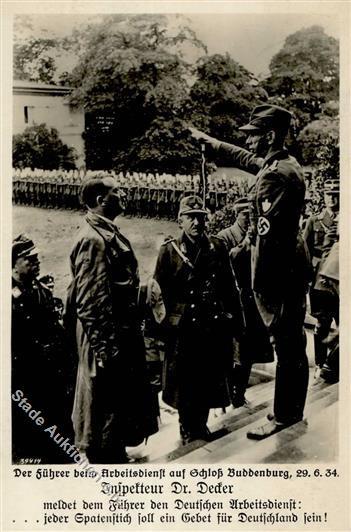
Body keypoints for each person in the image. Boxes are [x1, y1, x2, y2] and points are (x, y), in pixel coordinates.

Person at [190, 103, 311, 439]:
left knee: (286, 345)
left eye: (254, 136)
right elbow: (247, 159)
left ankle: (286, 415)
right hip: (292, 269)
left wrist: (259, 284)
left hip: (279, 274)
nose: (251, 142)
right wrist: (212, 144)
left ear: (269, 135)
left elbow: (267, 236)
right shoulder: (283, 164)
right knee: (292, 343)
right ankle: (291, 408)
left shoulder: (275, 175)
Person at [67, 176, 158, 463]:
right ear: (99, 201)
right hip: (105, 337)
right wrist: (106, 351)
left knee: (117, 405)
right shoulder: (93, 240)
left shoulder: (106, 233)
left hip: (118, 333)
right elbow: (91, 302)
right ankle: (106, 462)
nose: (124, 194)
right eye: (116, 192)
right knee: (104, 405)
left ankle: (114, 453)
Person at [154, 195, 242, 444]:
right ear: (179, 220)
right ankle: (186, 425)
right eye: (190, 217)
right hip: (182, 328)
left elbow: (229, 289)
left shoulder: (217, 247)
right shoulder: (169, 251)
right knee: (184, 380)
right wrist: (162, 331)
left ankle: (200, 425)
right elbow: (158, 294)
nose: (196, 222)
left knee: (208, 376)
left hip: (210, 325)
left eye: (200, 217)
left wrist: (237, 325)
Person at [12, 235, 73, 463]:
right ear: (14, 263)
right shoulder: (10, 298)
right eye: (30, 259)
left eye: (37, 257)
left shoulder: (40, 289)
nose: (37, 262)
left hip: (52, 379)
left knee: (60, 437)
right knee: (32, 444)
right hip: (28, 383)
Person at [218, 197, 274, 407]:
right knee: (234, 350)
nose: (249, 219)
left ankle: (239, 394)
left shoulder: (258, 235)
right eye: (245, 215)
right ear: (237, 215)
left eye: (251, 215)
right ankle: (230, 393)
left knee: (250, 351)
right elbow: (227, 261)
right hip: (234, 298)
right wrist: (246, 243)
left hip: (252, 300)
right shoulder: (225, 236)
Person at [303, 179, 339, 380]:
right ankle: (319, 363)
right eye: (329, 194)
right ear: (323, 196)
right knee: (321, 323)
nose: (332, 198)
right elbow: (305, 251)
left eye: (336, 195)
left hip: (340, 280)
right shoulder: (314, 221)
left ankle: (335, 364)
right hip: (319, 282)